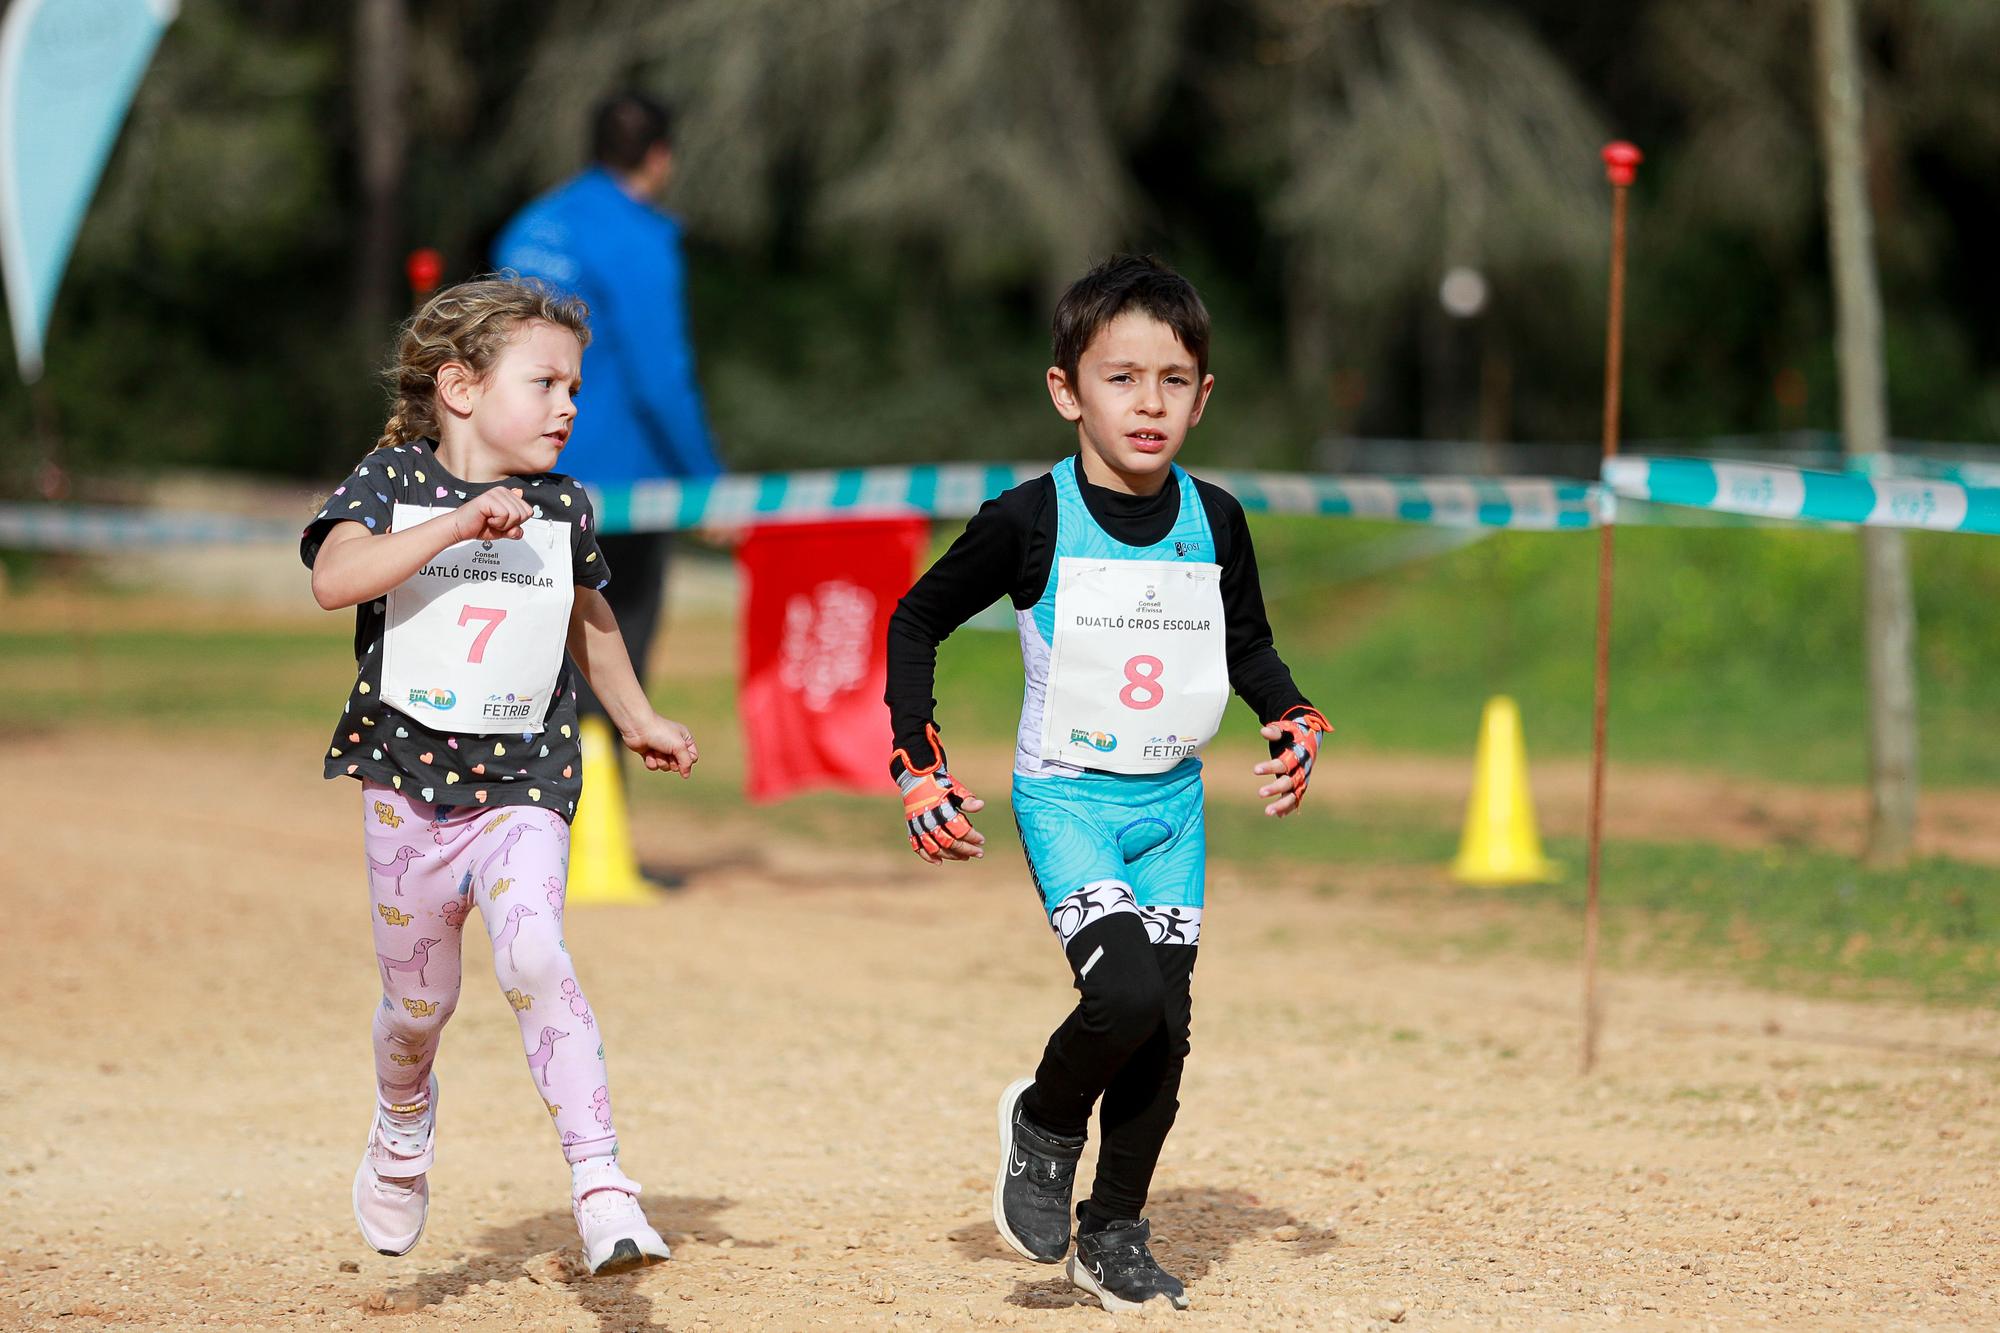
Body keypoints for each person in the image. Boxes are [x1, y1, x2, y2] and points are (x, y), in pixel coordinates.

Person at [884, 255, 1331, 1313]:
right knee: (1121, 993)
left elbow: (1245, 648)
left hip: (1170, 808)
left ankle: (1112, 1232)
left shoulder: (1214, 518)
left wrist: (1292, 712)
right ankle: (1044, 1119)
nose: (1147, 402)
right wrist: (917, 760)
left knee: (1165, 1029)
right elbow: (915, 618)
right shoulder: (1027, 518)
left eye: (1172, 380)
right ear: (1065, 389)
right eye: (1120, 377)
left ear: (1203, 396)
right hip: (1069, 802)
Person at [300, 277, 699, 1273]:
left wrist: (640, 715)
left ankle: (602, 1184)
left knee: (533, 956)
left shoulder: (565, 507)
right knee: (417, 1009)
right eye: (547, 382)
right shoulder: (389, 482)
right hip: (404, 789)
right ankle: (401, 1127)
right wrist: (459, 523)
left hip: (524, 783)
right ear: (461, 386)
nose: (570, 405)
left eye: (576, 385)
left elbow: (591, 619)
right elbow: (332, 578)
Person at [492, 91, 720, 791]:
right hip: (624, 485)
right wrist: (709, 485)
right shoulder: (641, 236)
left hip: (520, 470)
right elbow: (660, 377)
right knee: (612, 652)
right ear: (660, 157)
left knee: (524, 653)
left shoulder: (532, 224)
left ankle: (511, 822)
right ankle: (591, 836)